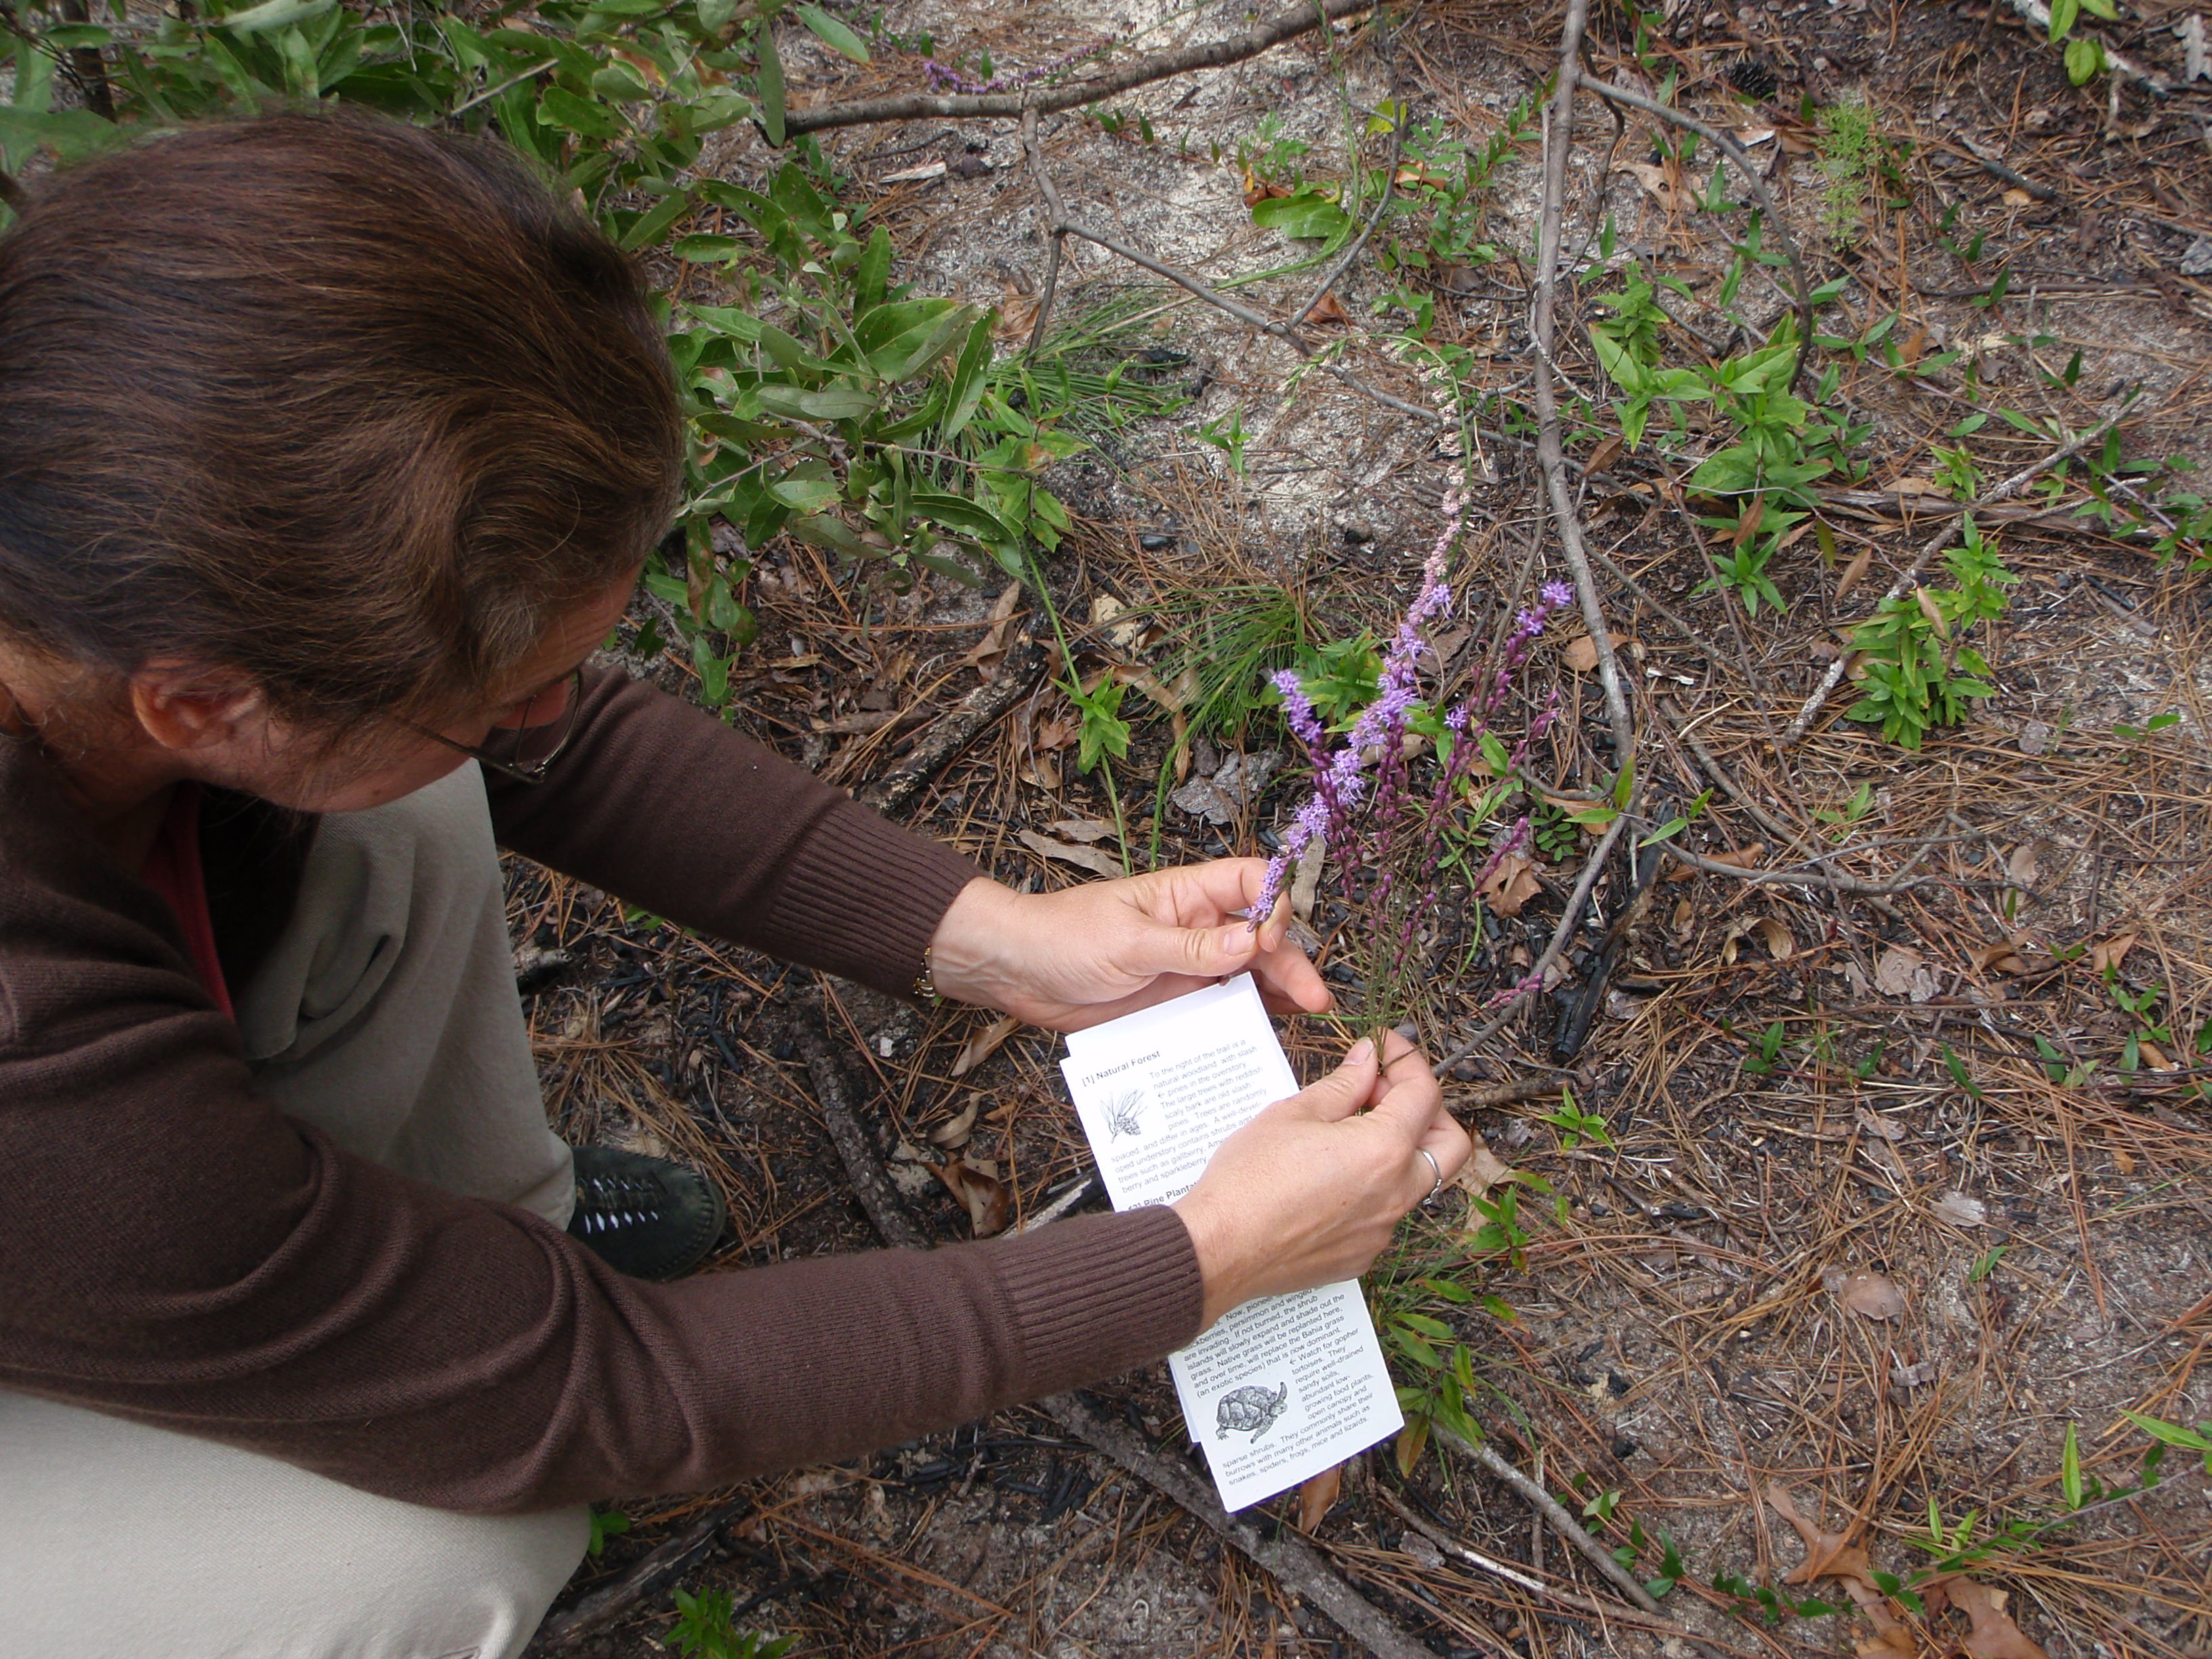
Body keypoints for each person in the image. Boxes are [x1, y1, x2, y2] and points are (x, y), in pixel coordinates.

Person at [0, 110, 1470, 1659]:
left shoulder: (84, 530)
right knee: (440, 1544)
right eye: (506, 698)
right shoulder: (37, 1067)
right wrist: (1204, 1258)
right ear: (202, 706)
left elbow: (550, 753)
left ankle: (439, 1266)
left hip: (105, 1206)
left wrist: (1004, 943)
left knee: (408, 799)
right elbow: (593, 1392)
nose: (546, 733)